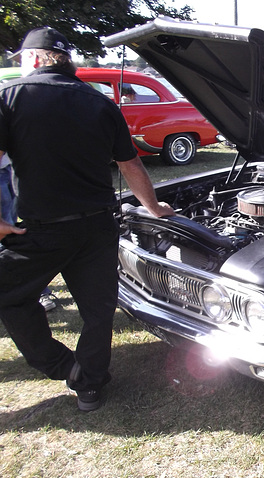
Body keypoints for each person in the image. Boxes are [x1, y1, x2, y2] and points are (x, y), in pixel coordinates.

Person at [0, 27, 175, 412]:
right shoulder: (100, 104)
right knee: (98, 312)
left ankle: (62, 366)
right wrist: (153, 206)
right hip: (97, 227)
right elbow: (130, 163)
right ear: (66, 60)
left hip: (40, 229)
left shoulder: (10, 98)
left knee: (9, 296)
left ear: (33, 58)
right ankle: (90, 384)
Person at [0, 154, 57, 311]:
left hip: (9, 167)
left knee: (14, 231)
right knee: (8, 235)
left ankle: (37, 291)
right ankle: (24, 293)